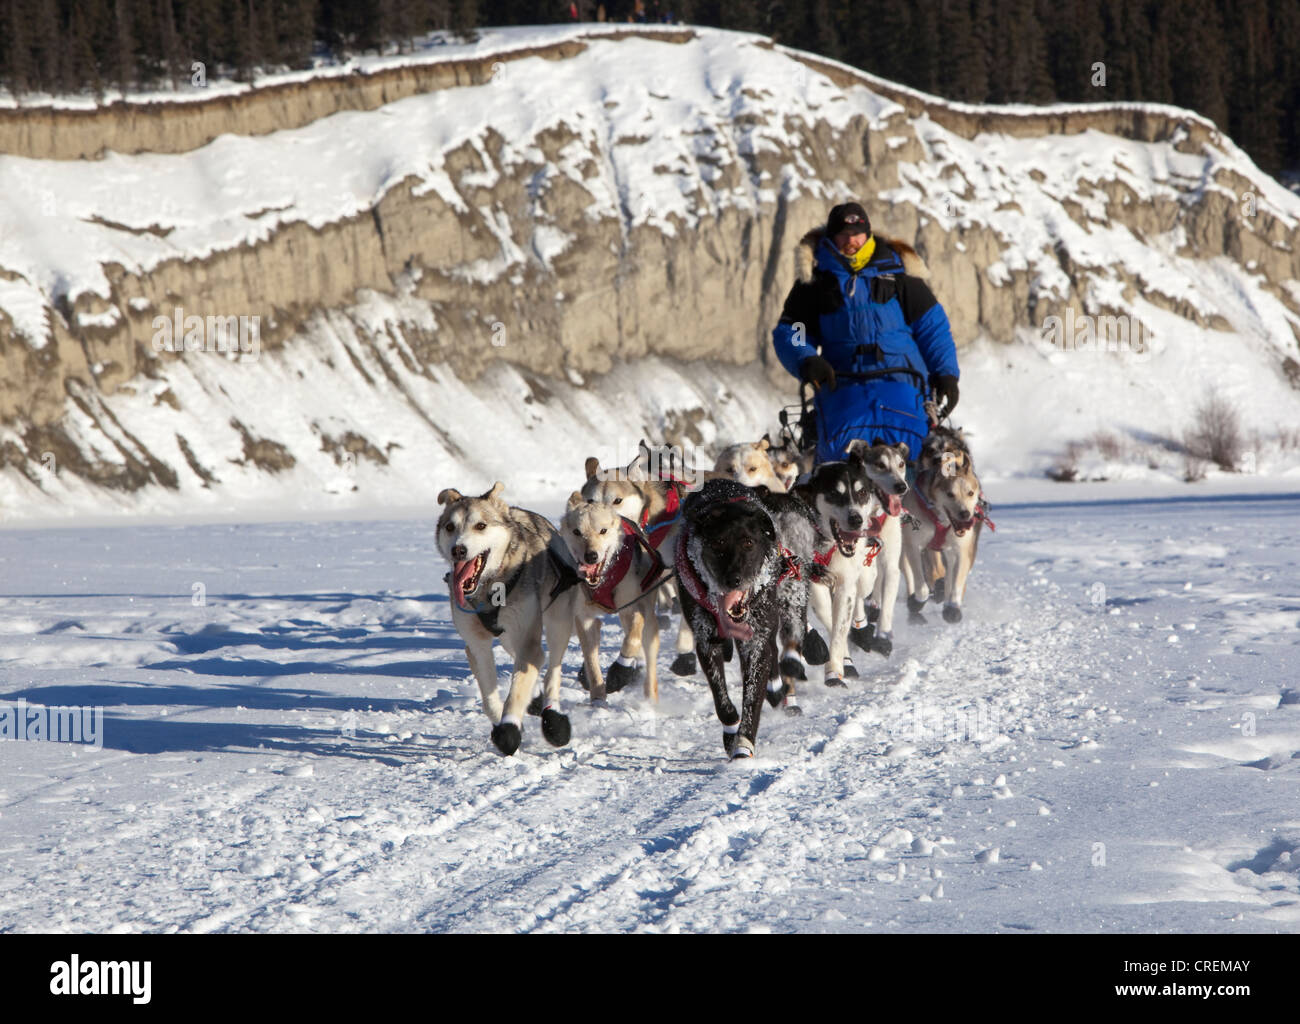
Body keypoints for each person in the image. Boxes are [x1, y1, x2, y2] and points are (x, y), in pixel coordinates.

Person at [771, 202, 959, 464]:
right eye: (844, 235)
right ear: (832, 237)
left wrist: (946, 374)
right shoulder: (814, 285)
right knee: (841, 460)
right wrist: (806, 358)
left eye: (858, 234)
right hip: (844, 387)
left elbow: (933, 329)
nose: (852, 241)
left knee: (915, 456)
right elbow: (793, 330)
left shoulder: (900, 277)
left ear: (868, 234)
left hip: (905, 385)